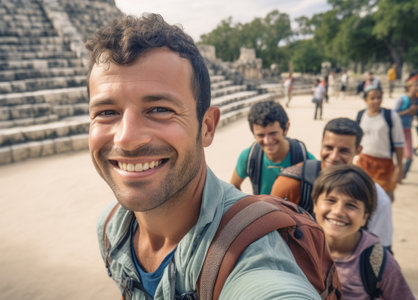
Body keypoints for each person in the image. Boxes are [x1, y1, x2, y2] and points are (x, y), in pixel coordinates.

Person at [86, 14, 320, 299]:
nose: (127, 138)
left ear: (207, 127)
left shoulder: (251, 255)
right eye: (106, 112)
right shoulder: (111, 228)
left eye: (160, 109)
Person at [271, 118, 393, 248]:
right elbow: (272, 237)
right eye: (329, 147)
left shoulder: (375, 196)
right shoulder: (290, 183)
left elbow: (380, 247)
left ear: (359, 150)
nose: (334, 157)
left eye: (344, 151)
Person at [311, 165, 415, 300]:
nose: (338, 211)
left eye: (351, 205)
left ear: (365, 217)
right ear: (314, 205)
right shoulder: (298, 247)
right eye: (331, 200)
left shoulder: (377, 261)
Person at [230, 100, 315, 195]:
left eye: (273, 133)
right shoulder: (249, 157)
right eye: (261, 135)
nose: (267, 141)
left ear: (286, 128)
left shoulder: (304, 159)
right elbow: (234, 186)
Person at [356, 85, 404, 201]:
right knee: (362, 198)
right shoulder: (361, 115)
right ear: (365, 100)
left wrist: (400, 168)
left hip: (384, 166)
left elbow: (399, 144)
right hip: (364, 163)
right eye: (372, 98)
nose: (376, 101)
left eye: (379, 97)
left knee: (384, 200)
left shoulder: (391, 116)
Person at [394, 71, 418, 179]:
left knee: (409, 157)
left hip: (407, 130)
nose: (417, 88)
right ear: (410, 87)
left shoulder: (416, 101)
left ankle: (402, 175)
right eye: (416, 86)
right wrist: (408, 111)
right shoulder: (402, 99)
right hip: (397, 130)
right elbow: (394, 114)